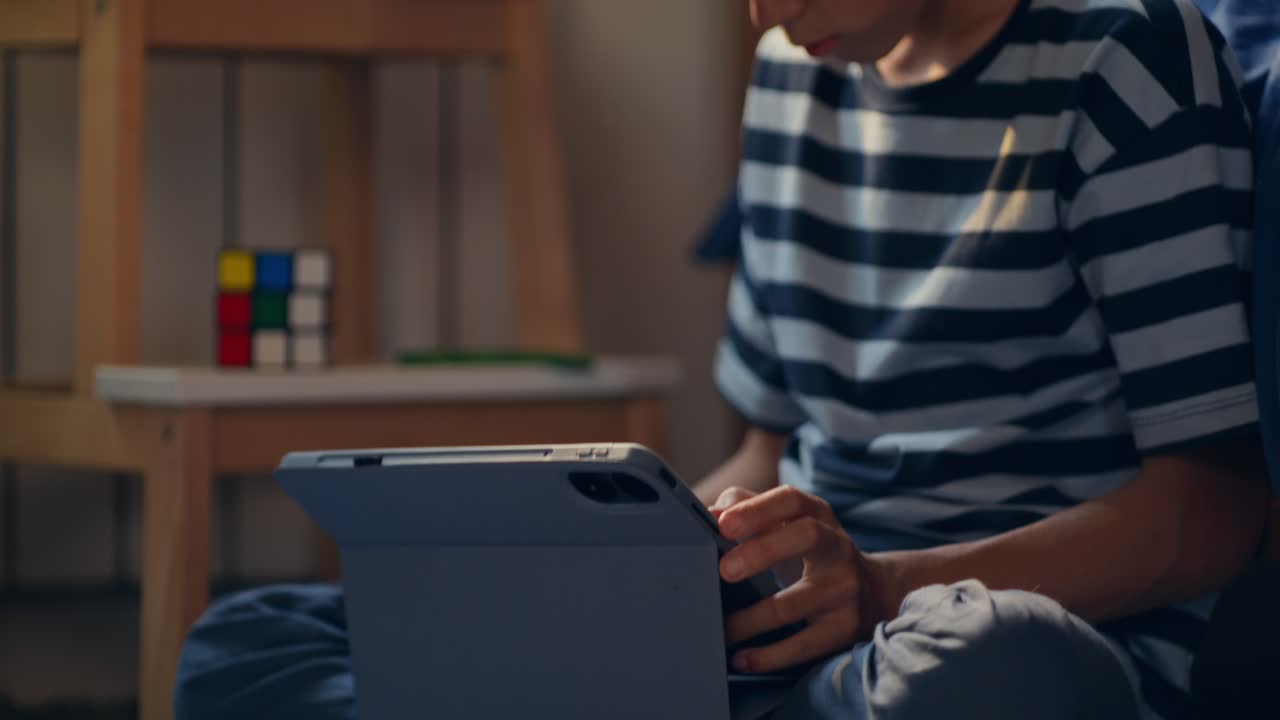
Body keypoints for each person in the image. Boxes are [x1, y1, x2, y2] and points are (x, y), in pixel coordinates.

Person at [174, 0, 1270, 718]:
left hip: (962, 634)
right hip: (782, 645)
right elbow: (762, 448)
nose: (766, 11)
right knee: (243, 643)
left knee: (995, 668)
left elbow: (1213, 510)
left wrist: (883, 588)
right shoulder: (788, 77)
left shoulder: (1126, 61)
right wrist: (613, 576)